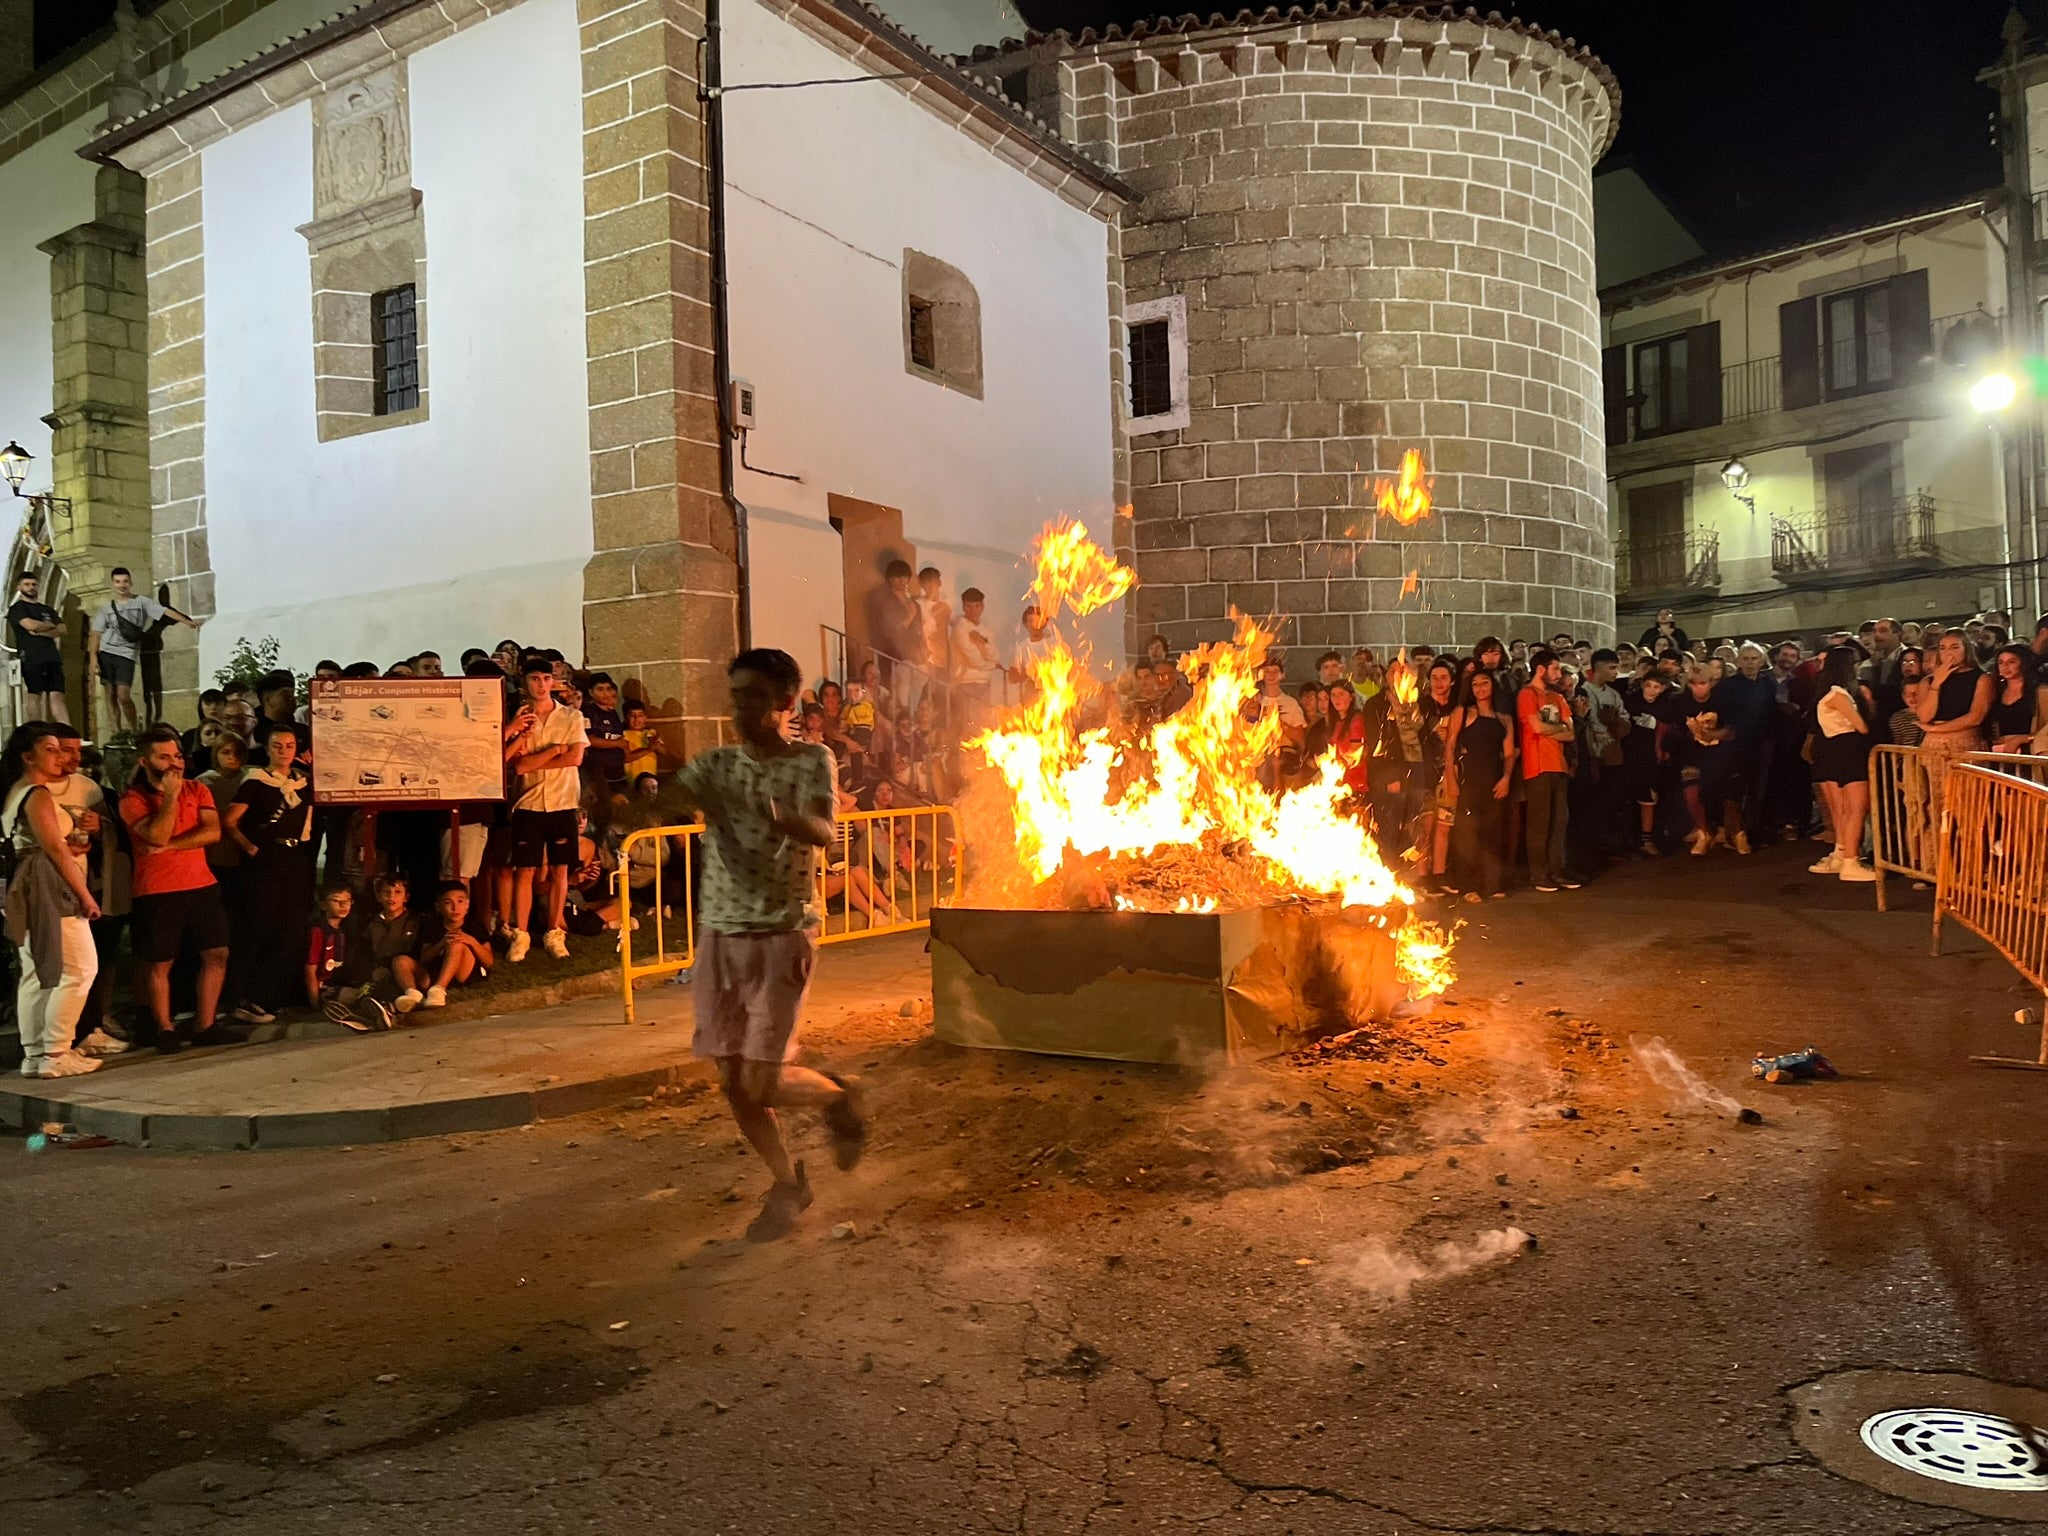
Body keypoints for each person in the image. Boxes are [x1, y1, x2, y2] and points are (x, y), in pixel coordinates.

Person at [649, 647, 867, 1242]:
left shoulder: (810, 761)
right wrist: (637, 803)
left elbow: (824, 830)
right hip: (720, 932)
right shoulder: (716, 764)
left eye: (754, 696)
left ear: (784, 703)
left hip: (782, 929)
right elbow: (661, 802)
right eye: (736, 694)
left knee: (761, 1083)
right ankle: (787, 1182)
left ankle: (836, 1097)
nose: (741, 706)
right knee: (731, 1081)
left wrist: (772, 811)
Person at [119, 725, 231, 1051]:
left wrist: (170, 847)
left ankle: (205, 1024)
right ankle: (164, 1028)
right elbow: (154, 833)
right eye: (164, 756)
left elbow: (212, 832)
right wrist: (169, 797)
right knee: (160, 962)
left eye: (178, 755)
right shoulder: (134, 799)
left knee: (217, 953)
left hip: (201, 883)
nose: (174, 763)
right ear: (145, 761)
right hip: (158, 889)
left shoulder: (197, 790)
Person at [3, 724, 103, 1077]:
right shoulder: (37, 793)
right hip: (46, 884)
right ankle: (56, 1052)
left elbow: (42, 843)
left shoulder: (18, 792)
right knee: (78, 968)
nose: (60, 755)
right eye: (50, 749)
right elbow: (56, 851)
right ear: (27, 757)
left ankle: (36, 1052)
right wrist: (86, 896)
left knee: (35, 970)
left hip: (29, 882)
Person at [221, 720, 314, 1024]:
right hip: (266, 859)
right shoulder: (256, 781)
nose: (284, 751)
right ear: (267, 748)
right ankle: (240, 997)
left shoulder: (303, 780)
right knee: (258, 927)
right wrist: (250, 849)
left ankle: (269, 997)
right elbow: (230, 820)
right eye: (277, 746)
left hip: (294, 857)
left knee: (290, 928)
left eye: (290, 746)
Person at [502, 656, 587, 961]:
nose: (541, 684)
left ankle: (554, 931)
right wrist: (554, 750)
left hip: (563, 800)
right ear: (525, 682)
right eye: (534, 679)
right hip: (530, 803)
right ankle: (521, 933)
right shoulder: (522, 718)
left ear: (553, 681)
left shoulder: (571, 717)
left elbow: (576, 758)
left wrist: (547, 757)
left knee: (560, 869)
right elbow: (521, 765)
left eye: (546, 678)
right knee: (525, 869)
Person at [90, 569, 195, 737]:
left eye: (125, 581)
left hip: (127, 653)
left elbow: (164, 611)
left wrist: (187, 621)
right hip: (107, 652)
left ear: (130, 583)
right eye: (117, 581)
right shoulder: (107, 608)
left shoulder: (141, 602)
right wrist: (93, 658)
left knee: (123, 695)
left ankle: (133, 729)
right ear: (113, 584)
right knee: (110, 694)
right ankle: (116, 732)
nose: (121, 585)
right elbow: (96, 633)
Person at [1810, 647, 1877, 882]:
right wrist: (1867, 703)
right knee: (1857, 807)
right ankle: (1851, 860)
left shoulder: (1827, 693)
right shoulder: (1838, 695)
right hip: (1848, 749)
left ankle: (1844, 855)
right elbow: (1862, 726)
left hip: (1837, 750)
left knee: (1849, 808)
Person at [1446, 667, 1514, 902]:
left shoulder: (1504, 718)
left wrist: (1506, 778)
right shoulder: (1463, 713)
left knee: (1493, 834)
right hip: (1468, 781)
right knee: (1467, 835)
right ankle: (1468, 886)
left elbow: (1508, 754)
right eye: (1475, 684)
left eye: (1485, 683)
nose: (1480, 688)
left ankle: (1492, 885)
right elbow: (1450, 748)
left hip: (1494, 781)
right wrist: (1451, 780)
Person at [1911, 631, 1992, 814]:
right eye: (1943, 648)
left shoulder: (1982, 678)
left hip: (1966, 744)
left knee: (1969, 805)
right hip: (1933, 747)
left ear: (1966, 649)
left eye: (1955, 647)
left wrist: (1935, 729)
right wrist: (1937, 684)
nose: (1948, 653)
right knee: (1937, 806)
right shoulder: (1928, 681)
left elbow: (1976, 716)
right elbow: (1924, 716)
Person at [1517, 648, 1576, 892]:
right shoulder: (1527, 694)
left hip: (1558, 765)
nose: (1559, 674)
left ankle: (1556, 870)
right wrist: (1557, 728)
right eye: (1555, 668)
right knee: (1540, 822)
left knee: (1559, 820)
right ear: (1541, 669)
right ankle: (1538, 874)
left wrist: (1550, 728)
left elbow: (1571, 733)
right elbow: (1536, 727)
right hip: (1537, 765)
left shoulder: (1558, 698)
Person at [411, 880, 493, 1006]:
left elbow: (488, 961)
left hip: (466, 972)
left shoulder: (474, 923)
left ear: (467, 905)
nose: (455, 908)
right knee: (400, 961)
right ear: (439, 906)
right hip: (438, 970)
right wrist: (442, 943)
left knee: (456, 943)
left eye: (460, 902)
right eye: (448, 903)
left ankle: (438, 989)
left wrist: (470, 941)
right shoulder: (432, 925)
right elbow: (424, 959)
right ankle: (412, 995)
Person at [9, 573, 68, 725]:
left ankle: (67, 731)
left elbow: (62, 629)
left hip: (52, 657)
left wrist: (41, 629)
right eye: (27, 584)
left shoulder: (47, 610)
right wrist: (47, 627)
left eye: (34, 584)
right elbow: (30, 625)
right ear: (19, 587)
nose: (31, 587)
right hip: (31, 657)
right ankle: (37, 729)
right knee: (35, 693)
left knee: (57, 694)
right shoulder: (17, 609)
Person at [949, 588, 1001, 724]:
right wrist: (990, 666)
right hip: (965, 682)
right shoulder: (960, 627)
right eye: (969, 606)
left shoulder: (986, 629)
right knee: (968, 726)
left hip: (984, 683)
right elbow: (973, 660)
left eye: (977, 606)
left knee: (983, 727)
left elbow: (994, 655)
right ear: (963, 606)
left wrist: (982, 641)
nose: (973, 610)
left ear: (982, 607)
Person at [1985, 644, 2042, 754]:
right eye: (2001, 662)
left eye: (2011, 662)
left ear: (2023, 664)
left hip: (2031, 751)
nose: (2005, 666)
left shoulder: (2039, 691)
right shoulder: (1995, 691)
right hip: (2001, 751)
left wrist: (2021, 739)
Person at [582, 672, 628, 793]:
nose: (606, 693)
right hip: (598, 771)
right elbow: (589, 740)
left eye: (608, 689)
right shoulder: (588, 712)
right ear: (591, 692)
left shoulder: (613, 713)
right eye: (600, 689)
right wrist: (617, 743)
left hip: (617, 769)